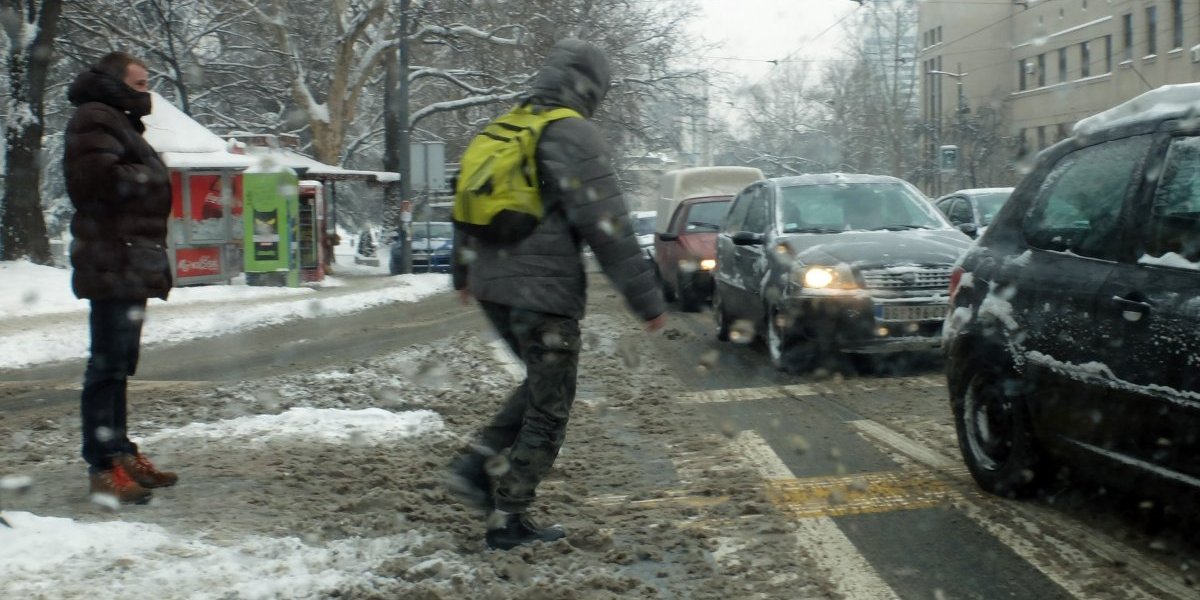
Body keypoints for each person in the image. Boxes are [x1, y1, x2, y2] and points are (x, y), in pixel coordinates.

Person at [447, 38, 667, 550]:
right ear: (591, 88)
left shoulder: (503, 127)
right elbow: (607, 223)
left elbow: (464, 203)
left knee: (538, 388)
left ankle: (476, 469)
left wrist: (461, 272)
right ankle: (508, 516)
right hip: (543, 294)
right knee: (552, 404)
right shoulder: (571, 132)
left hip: (492, 288)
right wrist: (647, 301)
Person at [65, 51, 178, 505]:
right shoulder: (95, 118)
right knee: (107, 365)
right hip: (112, 258)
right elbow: (102, 180)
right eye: (139, 81)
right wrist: (154, 173)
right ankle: (102, 465)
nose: (145, 89)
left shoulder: (118, 120)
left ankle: (120, 452)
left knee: (120, 363)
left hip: (128, 259)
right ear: (114, 81)